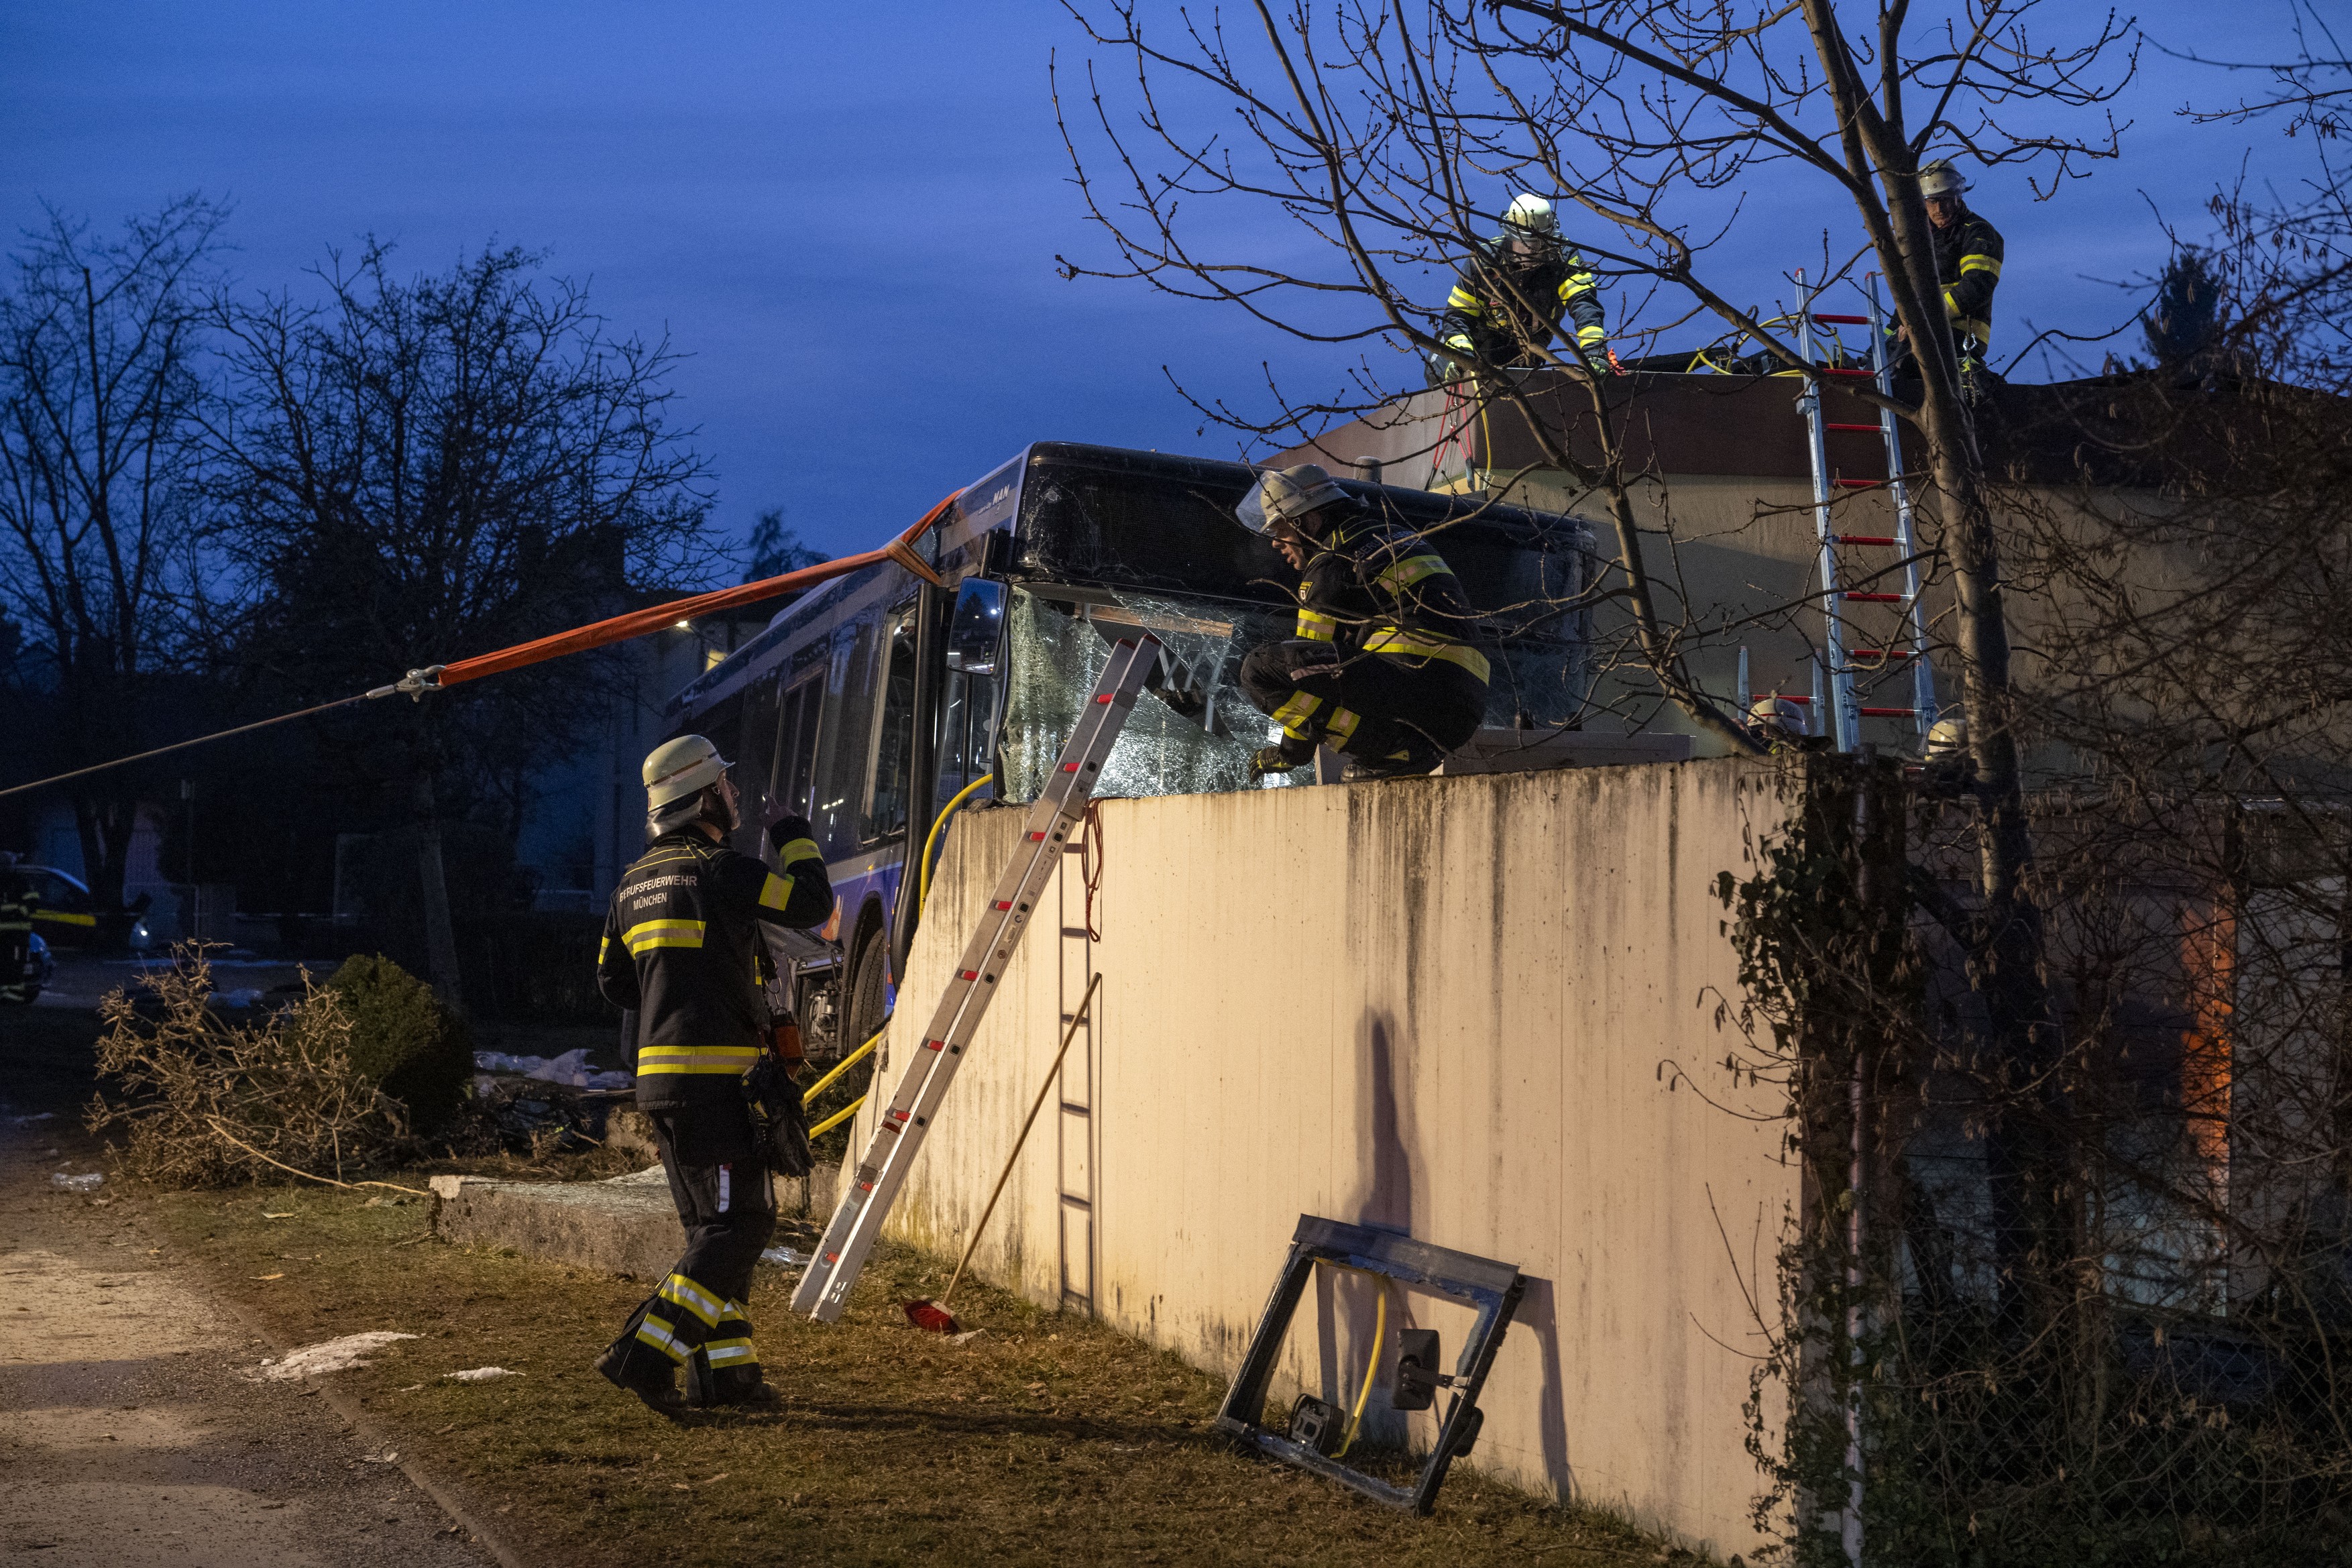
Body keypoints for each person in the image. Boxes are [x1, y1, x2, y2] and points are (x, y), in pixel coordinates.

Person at [593, 734, 834, 1414]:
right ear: (703, 799)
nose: (735, 795)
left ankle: (727, 1377)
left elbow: (614, 981)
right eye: (725, 786)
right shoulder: (723, 870)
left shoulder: (631, 884)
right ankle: (642, 1357)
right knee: (741, 1227)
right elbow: (812, 903)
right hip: (719, 1086)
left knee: (713, 1234)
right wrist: (790, 833)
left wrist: (679, 986)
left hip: (661, 1087)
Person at [1235, 465, 1490, 779]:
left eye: (1281, 530)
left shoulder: (1333, 561)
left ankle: (1387, 749)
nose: (1276, 543)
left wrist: (1289, 753)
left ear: (1309, 522)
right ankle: (1402, 748)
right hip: (1460, 705)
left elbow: (1303, 669)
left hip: (1418, 688)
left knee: (1261, 668)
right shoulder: (1392, 536)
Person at [1430, 194, 1616, 383]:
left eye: (1539, 243)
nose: (1532, 250)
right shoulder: (1485, 262)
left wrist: (1595, 354)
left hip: (1531, 345)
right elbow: (1458, 316)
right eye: (1525, 243)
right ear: (1511, 236)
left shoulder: (1564, 260)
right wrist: (1462, 357)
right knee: (1441, 359)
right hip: (1481, 341)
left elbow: (1584, 306)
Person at [1896, 160, 2004, 385]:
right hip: (1921, 329)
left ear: (1958, 196)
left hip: (1961, 333)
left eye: (1945, 199)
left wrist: (1925, 317)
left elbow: (1978, 285)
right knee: (1882, 364)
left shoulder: (1978, 232)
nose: (1939, 209)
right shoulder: (1921, 239)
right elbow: (1912, 295)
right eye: (1932, 201)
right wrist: (1888, 335)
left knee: (1903, 367)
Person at [0, 853, 38, 1005]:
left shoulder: (19, 882)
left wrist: (18, 910)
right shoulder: (21, 881)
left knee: (11, 965)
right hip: (16, 934)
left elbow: (32, 903)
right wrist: (19, 910)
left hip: (15, 934)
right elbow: (31, 904)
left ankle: (10, 995)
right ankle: (12, 996)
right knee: (13, 965)